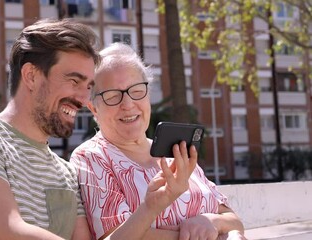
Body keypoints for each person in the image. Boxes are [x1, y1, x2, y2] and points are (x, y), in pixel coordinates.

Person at [0, 18, 196, 240]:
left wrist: (150, 208)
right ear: (31, 75)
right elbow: (4, 231)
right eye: (74, 80)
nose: (83, 98)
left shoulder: (65, 173)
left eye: (88, 86)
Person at [70, 42, 246, 240]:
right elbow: (114, 236)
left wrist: (210, 222)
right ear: (93, 108)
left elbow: (234, 220)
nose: (127, 104)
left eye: (136, 91)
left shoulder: (175, 151)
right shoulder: (92, 157)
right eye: (112, 96)